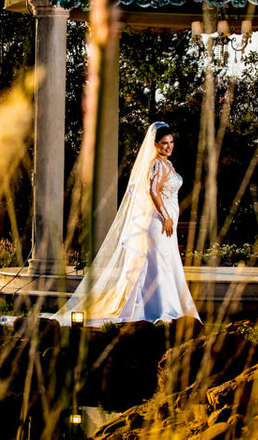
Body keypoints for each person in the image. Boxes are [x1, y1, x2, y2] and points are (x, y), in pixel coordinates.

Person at [49, 122, 201, 325]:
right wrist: (166, 216)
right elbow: (152, 191)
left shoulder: (167, 164)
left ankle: (164, 306)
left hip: (166, 222)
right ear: (155, 145)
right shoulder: (156, 164)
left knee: (164, 263)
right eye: (164, 143)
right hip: (159, 222)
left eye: (171, 142)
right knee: (158, 264)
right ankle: (158, 308)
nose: (169, 147)